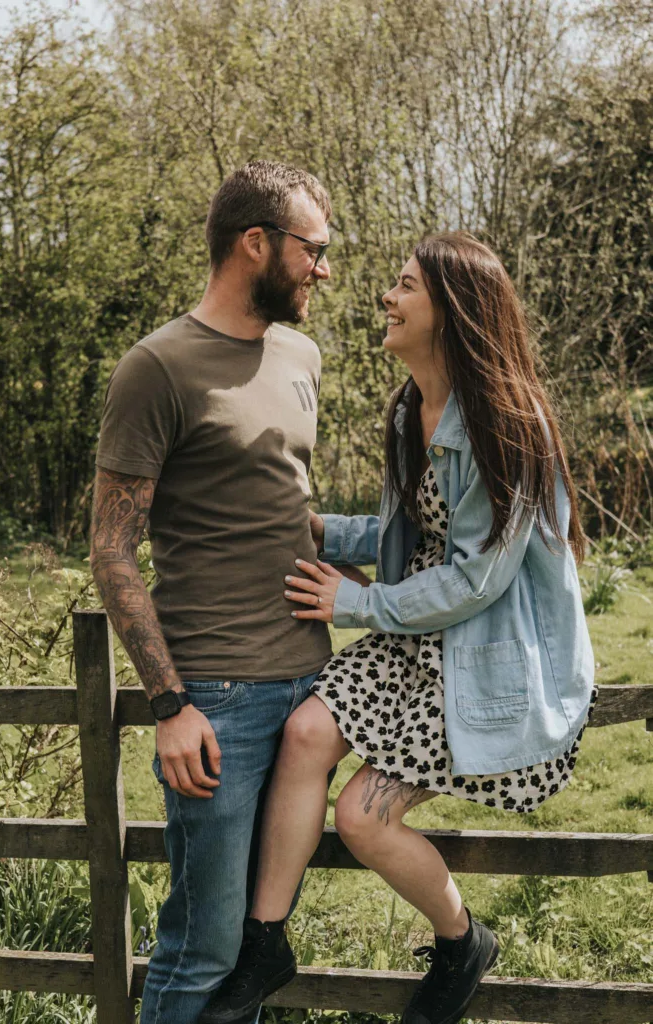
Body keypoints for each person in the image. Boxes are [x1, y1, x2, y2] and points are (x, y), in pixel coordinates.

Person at [200, 231, 597, 1024]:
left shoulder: (506, 424)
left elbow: (478, 577)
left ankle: (461, 941)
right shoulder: (411, 409)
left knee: (361, 816)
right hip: (416, 634)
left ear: (451, 311)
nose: (385, 296)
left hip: (485, 654)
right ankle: (265, 943)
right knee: (307, 733)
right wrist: (314, 532)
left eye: (404, 285)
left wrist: (355, 605)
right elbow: (409, 531)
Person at [89, 160, 336, 1024]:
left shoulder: (302, 353)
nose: (325, 269)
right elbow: (111, 546)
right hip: (218, 707)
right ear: (255, 243)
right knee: (204, 949)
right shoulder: (156, 367)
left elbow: (285, 508)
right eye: (314, 249)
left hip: (312, 692)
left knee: (254, 957)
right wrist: (170, 705)